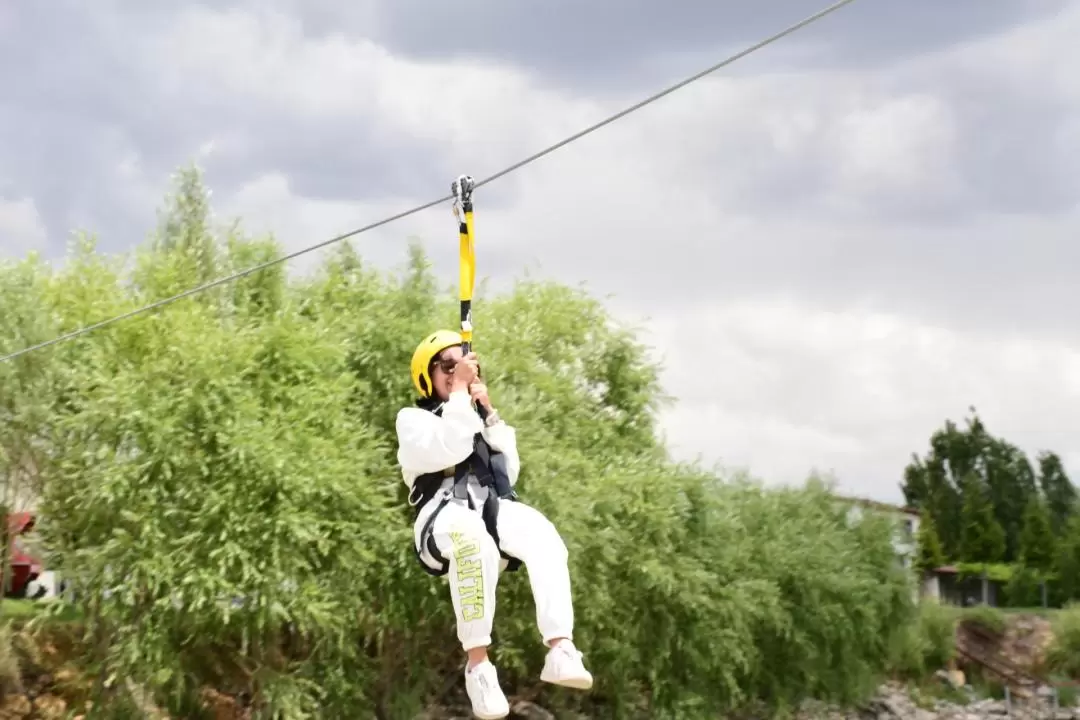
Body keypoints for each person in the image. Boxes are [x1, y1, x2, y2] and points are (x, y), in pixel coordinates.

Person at [395, 329, 593, 719]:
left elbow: (508, 473)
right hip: (443, 517)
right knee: (474, 543)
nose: (458, 372)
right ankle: (479, 666)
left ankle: (560, 646)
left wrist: (488, 411)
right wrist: (460, 397)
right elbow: (452, 446)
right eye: (447, 366)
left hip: (488, 508)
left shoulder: (474, 416)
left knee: (543, 534)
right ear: (427, 377)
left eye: (465, 365)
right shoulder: (413, 420)